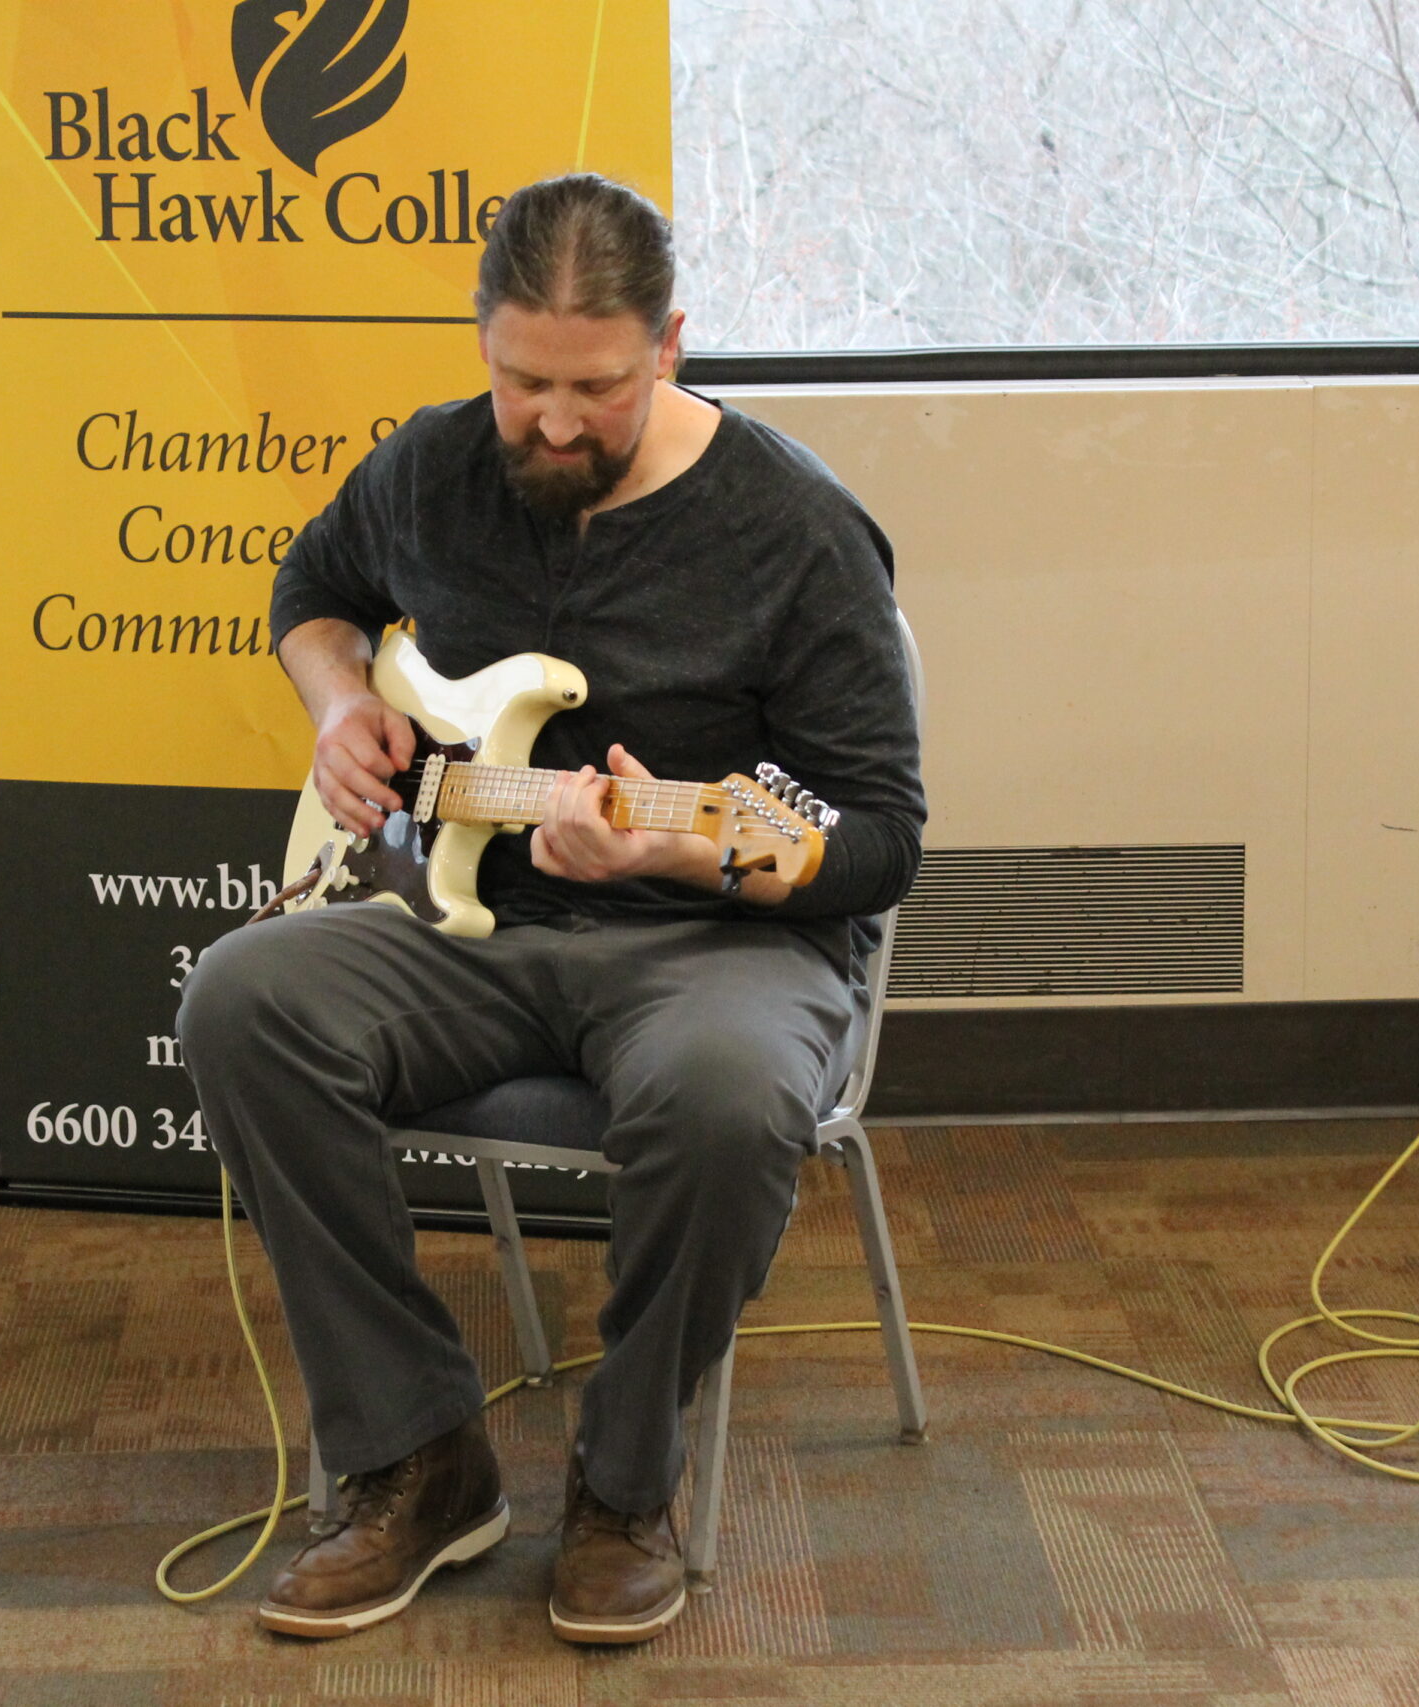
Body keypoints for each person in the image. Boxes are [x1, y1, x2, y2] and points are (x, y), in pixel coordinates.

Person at [176, 173, 923, 1645]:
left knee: (723, 1093)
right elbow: (313, 588)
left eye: (597, 385)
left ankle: (625, 1484)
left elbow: (878, 837)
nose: (558, 422)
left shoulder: (795, 527)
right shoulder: (433, 468)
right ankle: (413, 1456)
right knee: (242, 1002)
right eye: (524, 383)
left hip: (716, 938)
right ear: (482, 346)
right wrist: (338, 706)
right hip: (472, 926)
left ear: (673, 346)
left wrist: (676, 853)